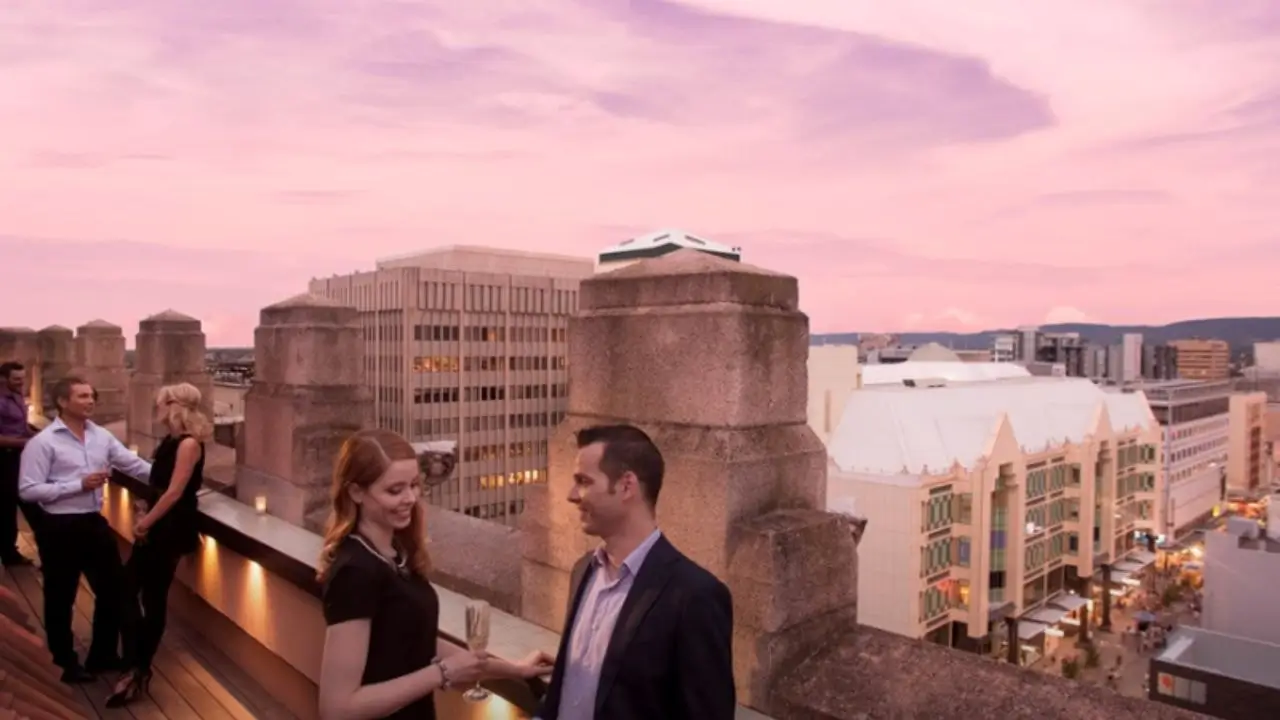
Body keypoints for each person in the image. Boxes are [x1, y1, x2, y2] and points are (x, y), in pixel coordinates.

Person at [316, 428, 553, 720]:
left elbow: (419, 638)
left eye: (414, 485)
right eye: (394, 490)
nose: (410, 498)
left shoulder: (396, 554)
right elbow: (337, 709)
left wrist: (515, 669)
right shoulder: (355, 572)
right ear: (356, 492)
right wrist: (441, 673)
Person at [536, 424, 736, 720]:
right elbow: (566, 688)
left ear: (627, 486)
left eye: (583, 481)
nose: (571, 495)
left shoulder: (696, 596)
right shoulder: (583, 571)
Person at [18, 376, 152, 683]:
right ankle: (64, 663)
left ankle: (102, 655)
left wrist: (172, 477)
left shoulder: (100, 436)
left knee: (113, 592)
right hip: (59, 528)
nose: (90, 401)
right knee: (60, 597)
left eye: (92, 395)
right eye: (82, 396)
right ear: (63, 402)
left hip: (93, 522)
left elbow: (131, 464)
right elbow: (27, 490)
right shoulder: (44, 443)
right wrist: (77, 485)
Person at [107, 383, 211, 706]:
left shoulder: (189, 444)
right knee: (128, 590)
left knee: (151, 596)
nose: (156, 408)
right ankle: (135, 664)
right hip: (158, 523)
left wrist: (145, 521)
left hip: (170, 528)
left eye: (160, 403)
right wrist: (145, 509)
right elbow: (158, 485)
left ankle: (137, 668)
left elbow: (175, 492)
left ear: (173, 405)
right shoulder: (171, 441)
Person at [1, 361, 40, 566]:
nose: (21, 382)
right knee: (7, 507)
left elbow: (21, 427)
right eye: (16, 379)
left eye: (23, 378)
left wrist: (39, 436)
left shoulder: (17, 396)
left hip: (20, 457)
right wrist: (25, 442)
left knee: (29, 502)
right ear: (3, 379)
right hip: (4, 459)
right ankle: (8, 554)